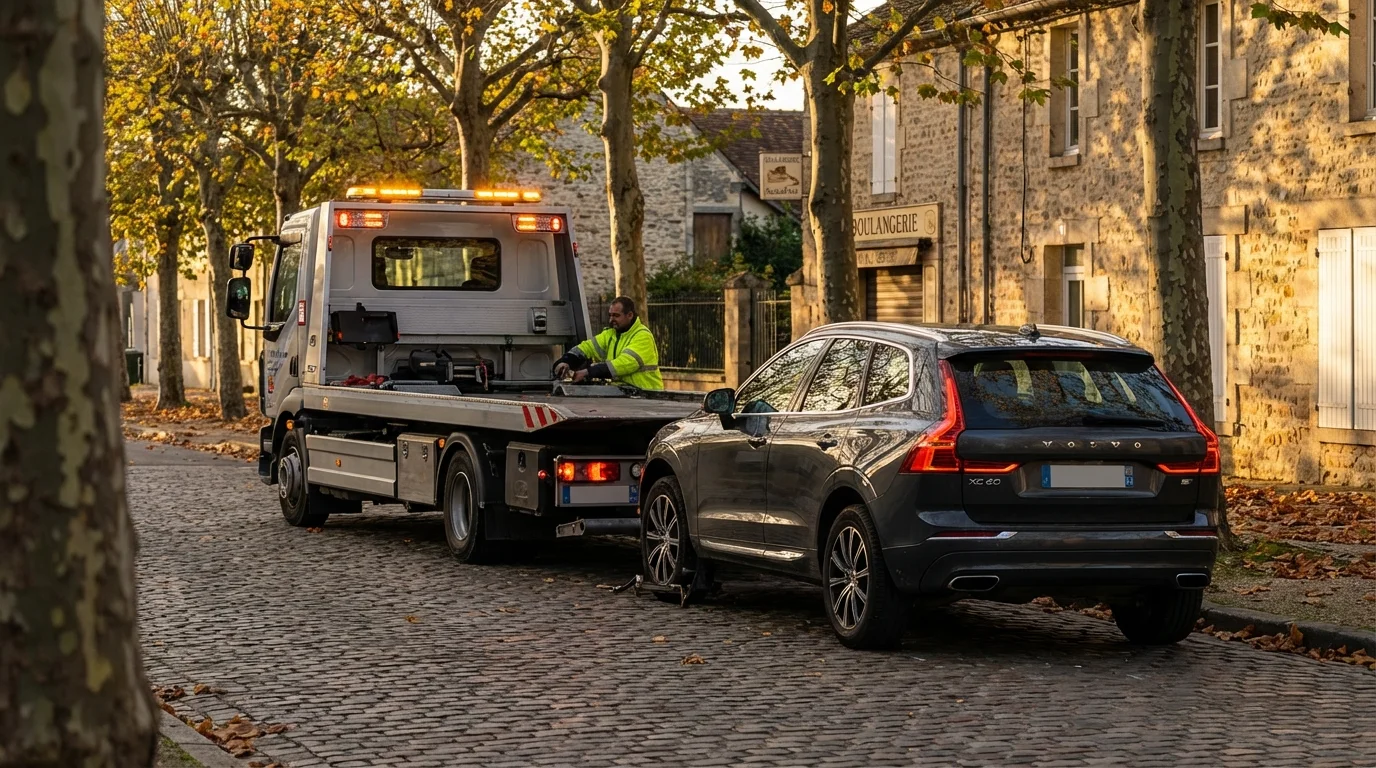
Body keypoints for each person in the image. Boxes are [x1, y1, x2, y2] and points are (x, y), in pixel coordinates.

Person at [553, 296, 664, 390]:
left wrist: (588, 372)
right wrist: (565, 362)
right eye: (610, 315)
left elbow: (622, 364)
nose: (611, 319)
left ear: (630, 315)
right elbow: (586, 347)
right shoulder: (610, 334)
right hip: (625, 394)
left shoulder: (642, 336)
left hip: (648, 396)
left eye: (616, 315)